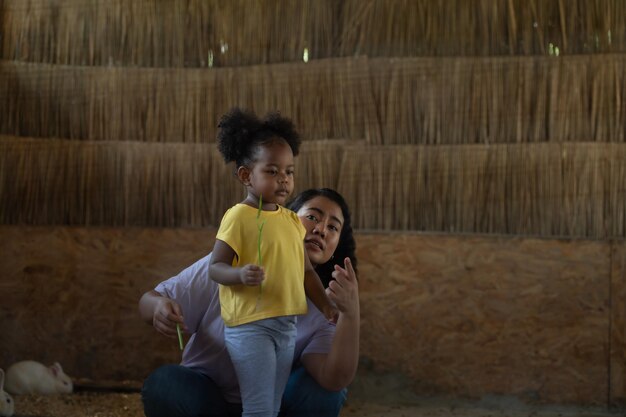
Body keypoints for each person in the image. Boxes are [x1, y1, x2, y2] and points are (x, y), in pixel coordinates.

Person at [139, 187, 359, 417]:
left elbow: (333, 380)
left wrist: (351, 314)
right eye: (312, 217)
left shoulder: (324, 307)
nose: (320, 230)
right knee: (165, 385)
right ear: (284, 219)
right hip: (207, 398)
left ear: (335, 248)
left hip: (273, 407)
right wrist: (158, 308)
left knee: (322, 392)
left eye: (333, 227)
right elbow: (148, 301)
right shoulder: (227, 266)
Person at [210, 108, 337, 416]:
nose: (284, 180)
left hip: (286, 325)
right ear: (245, 175)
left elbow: (306, 273)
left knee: (272, 406)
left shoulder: (293, 222)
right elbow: (216, 267)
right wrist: (239, 274)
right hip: (249, 327)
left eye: (289, 171)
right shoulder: (238, 216)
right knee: (258, 407)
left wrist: (326, 306)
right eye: (272, 171)